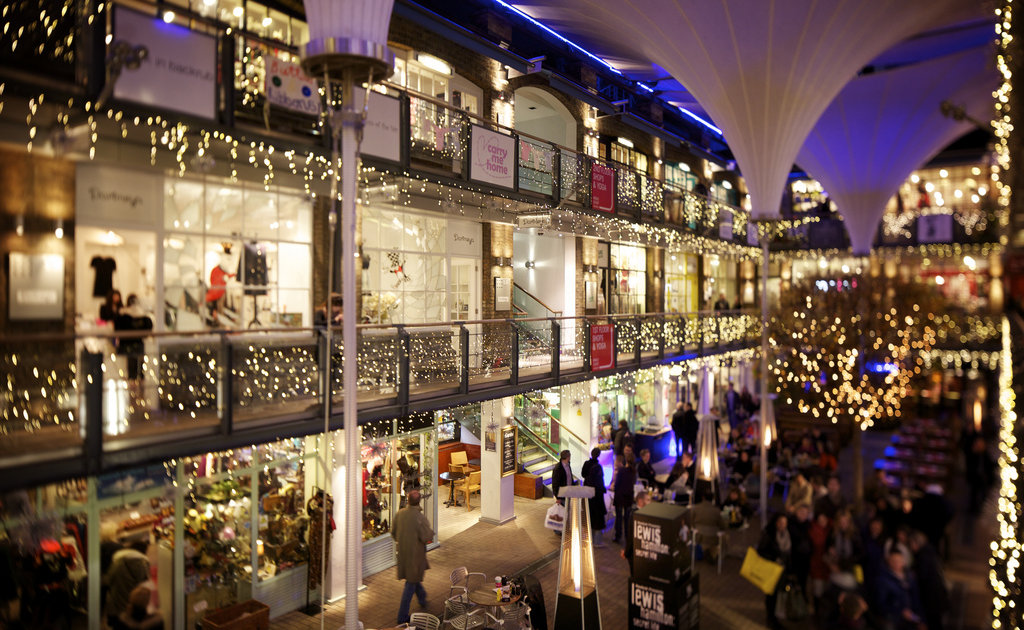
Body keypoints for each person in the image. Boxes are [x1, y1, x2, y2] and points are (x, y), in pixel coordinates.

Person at [392, 489, 433, 625]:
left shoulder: (399, 514)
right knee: (410, 583)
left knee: (413, 579)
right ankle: (402, 617)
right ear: (419, 501)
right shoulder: (420, 518)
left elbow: (393, 533)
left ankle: (422, 598)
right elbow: (426, 536)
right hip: (415, 555)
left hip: (403, 553)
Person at [758, 513, 793, 630]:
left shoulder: (787, 534)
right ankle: (771, 619)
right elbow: (761, 551)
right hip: (772, 569)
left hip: (782, 570)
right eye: (780, 523)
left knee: (778, 594)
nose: (783, 525)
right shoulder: (769, 534)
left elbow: (788, 553)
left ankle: (775, 618)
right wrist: (773, 558)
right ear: (775, 523)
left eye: (785, 523)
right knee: (771, 595)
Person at [875, 549, 925, 630]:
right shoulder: (883, 580)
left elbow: (916, 599)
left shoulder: (910, 577)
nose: (896, 563)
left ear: (904, 562)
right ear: (888, 562)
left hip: (913, 617)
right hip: (896, 620)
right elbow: (880, 605)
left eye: (899, 561)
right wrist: (900, 611)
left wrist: (922, 620)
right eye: (893, 561)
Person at [104, 540, 150, 628]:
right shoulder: (142, 563)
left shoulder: (117, 561)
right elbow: (144, 584)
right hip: (132, 608)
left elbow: (108, 580)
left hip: (115, 605)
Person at [909, 530, 949, 630]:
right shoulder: (929, 552)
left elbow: (923, 576)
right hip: (936, 596)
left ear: (916, 543)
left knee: (933, 623)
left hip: (931, 598)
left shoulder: (922, 556)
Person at [583, 448, 608, 547]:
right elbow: (600, 482)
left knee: (590, 515)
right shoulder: (598, 467)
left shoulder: (586, 464)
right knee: (598, 517)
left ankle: (589, 538)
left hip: (588, 493)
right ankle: (597, 541)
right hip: (597, 496)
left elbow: (583, 474)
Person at [621, 490, 651, 572]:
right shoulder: (635, 514)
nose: (650, 502)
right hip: (634, 554)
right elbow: (630, 535)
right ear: (641, 501)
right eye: (648, 500)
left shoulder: (642, 513)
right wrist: (626, 552)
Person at [611, 455, 636, 544]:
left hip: (620, 497)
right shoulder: (633, 472)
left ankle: (618, 536)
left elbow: (617, 484)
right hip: (628, 497)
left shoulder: (621, 471)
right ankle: (627, 536)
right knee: (627, 518)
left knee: (618, 517)